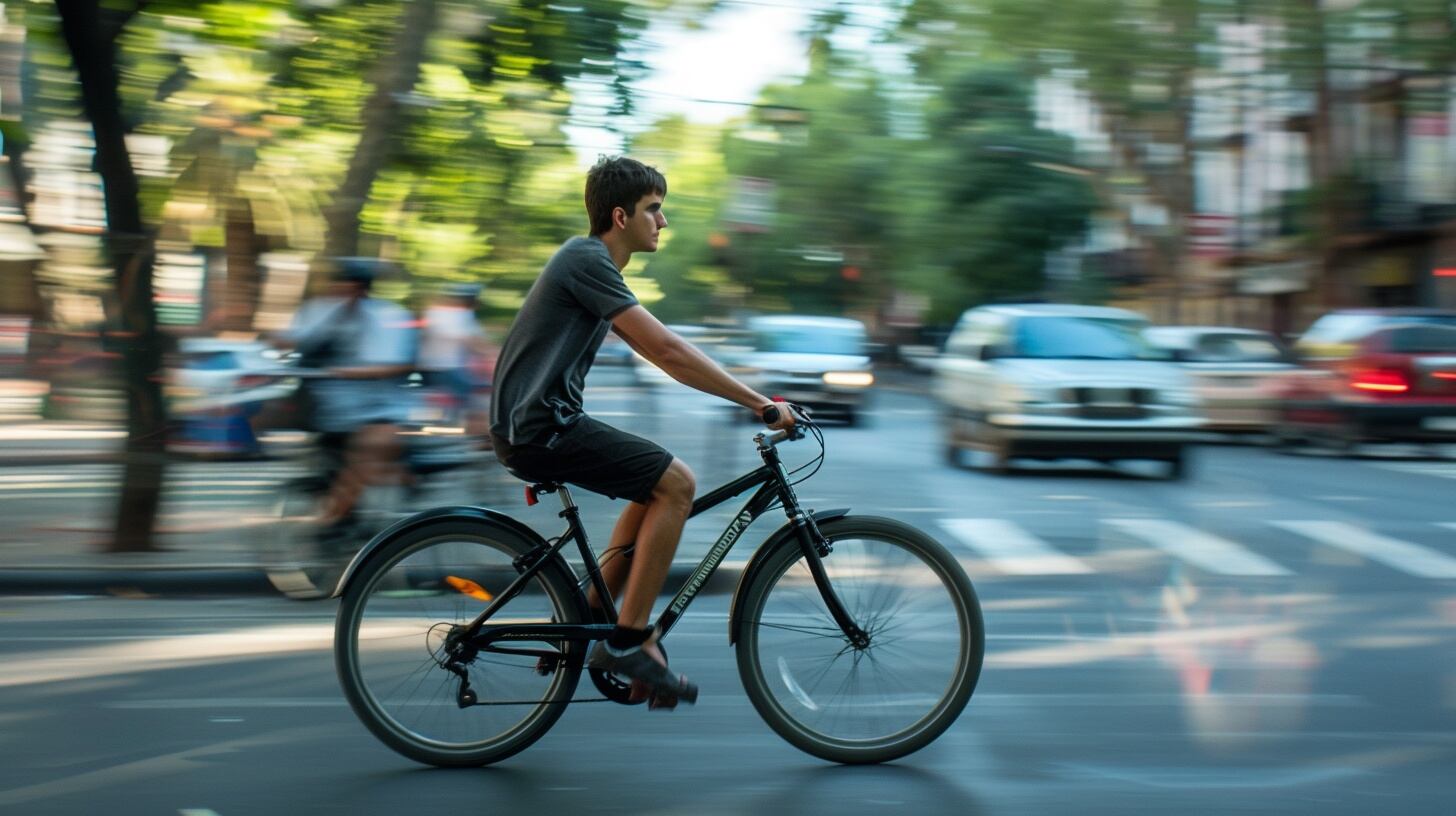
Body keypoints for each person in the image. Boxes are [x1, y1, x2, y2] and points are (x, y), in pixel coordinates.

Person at [490, 156, 796, 707]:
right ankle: (630, 640)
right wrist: (760, 404)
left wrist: (748, 399)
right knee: (677, 483)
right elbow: (668, 351)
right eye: (654, 209)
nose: (663, 220)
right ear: (620, 216)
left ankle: (590, 612)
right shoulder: (587, 259)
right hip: (539, 427)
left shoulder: (593, 265)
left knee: (651, 484)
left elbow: (664, 355)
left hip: (538, 424)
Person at [285, 258, 417, 538]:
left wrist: (349, 372)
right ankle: (339, 515)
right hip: (326, 407)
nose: (344, 291)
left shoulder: (387, 315)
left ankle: (334, 517)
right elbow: (291, 340)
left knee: (372, 449)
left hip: (377, 407)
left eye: (352, 286)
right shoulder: (317, 310)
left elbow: (396, 364)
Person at [418, 282, 487, 424]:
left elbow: (477, 338)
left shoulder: (463, 314)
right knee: (473, 399)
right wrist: (492, 352)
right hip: (440, 366)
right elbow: (468, 339)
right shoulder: (441, 313)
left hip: (454, 366)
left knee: (477, 394)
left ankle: (466, 422)